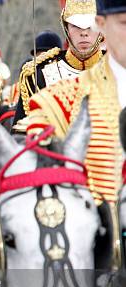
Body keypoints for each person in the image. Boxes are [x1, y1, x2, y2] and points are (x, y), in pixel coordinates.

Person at [26, 0, 126, 205]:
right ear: (103, 24)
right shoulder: (55, 100)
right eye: (124, 23)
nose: (84, 33)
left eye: (87, 27)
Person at [13, 0, 104, 126]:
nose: (84, 33)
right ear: (66, 28)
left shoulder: (120, 68)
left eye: (91, 26)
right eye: (76, 26)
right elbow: (22, 135)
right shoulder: (39, 74)